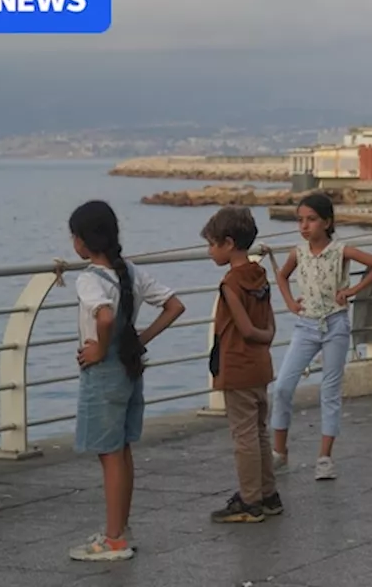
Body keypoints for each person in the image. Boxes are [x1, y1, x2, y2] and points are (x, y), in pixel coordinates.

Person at [68, 201, 185, 561]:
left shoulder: (89, 278)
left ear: (83, 242)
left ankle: (114, 539)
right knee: (123, 450)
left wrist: (101, 350)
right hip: (131, 369)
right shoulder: (131, 272)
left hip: (105, 374)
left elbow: (103, 318)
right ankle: (120, 527)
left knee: (110, 455)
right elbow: (175, 306)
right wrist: (139, 339)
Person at [263, 193, 372, 480]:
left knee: (330, 391)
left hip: (335, 325)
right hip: (305, 327)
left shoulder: (340, 250)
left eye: (311, 220)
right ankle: (279, 452)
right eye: (300, 220)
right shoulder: (297, 253)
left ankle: (324, 458)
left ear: (327, 222)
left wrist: (352, 290)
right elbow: (282, 277)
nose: (304, 226)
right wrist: (289, 303)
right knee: (283, 386)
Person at [202, 207, 284, 523]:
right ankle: (268, 493)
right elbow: (267, 324)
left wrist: (256, 335)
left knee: (243, 436)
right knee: (260, 431)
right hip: (260, 365)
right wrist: (268, 337)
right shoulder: (259, 275)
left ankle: (250, 501)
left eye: (212, 244)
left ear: (228, 243)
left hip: (237, 365)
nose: (209, 251)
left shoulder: (230, 283)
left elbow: (244, 328)